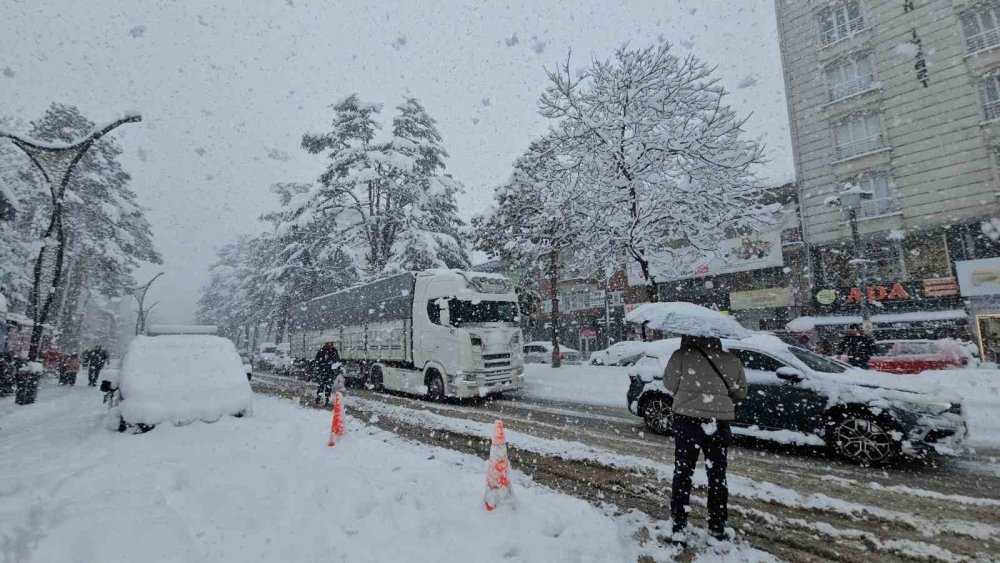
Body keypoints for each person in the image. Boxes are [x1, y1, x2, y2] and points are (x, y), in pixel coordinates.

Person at [665, 334, 747, 544]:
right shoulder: (731, 360)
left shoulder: (681, 355)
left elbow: (669, 384)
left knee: (683, 473)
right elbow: (741, 393)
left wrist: (688, 395)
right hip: (717, 423)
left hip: (687, 421)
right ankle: (717, 526)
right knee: (717, 475)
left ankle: (679, 526)